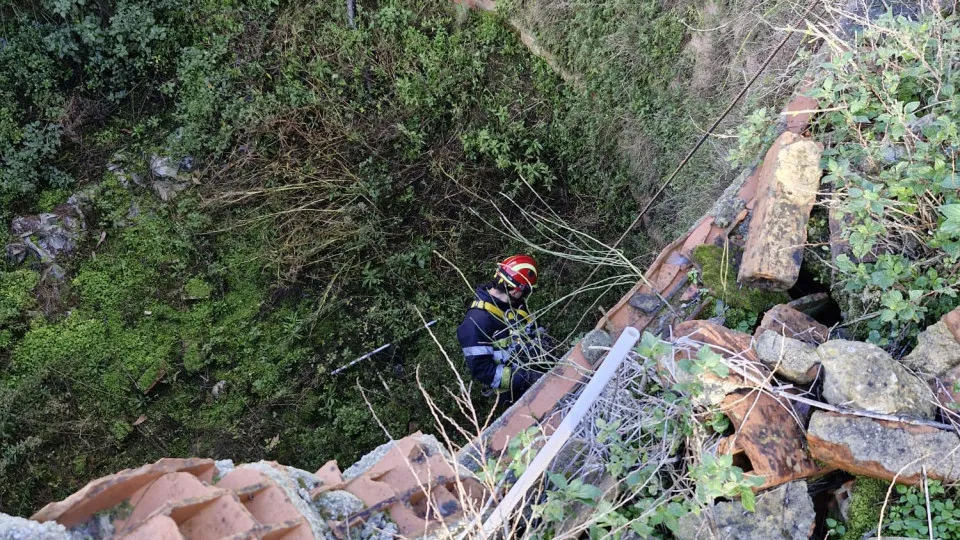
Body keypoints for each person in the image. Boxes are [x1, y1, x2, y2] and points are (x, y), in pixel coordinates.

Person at [456, 254, 551, 401]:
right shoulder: (476, 322)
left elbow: (532, 327)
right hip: (516, 393)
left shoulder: (514, 305)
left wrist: (544, 343)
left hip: (538, 369)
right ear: (516, 290)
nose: (525, 297)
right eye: (525, 292)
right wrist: (524, 377)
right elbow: (482, 371)